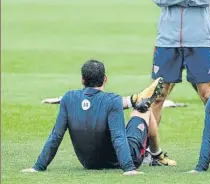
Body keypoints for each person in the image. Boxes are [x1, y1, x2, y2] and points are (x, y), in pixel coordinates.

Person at [21, 59, 176, 175]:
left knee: (137, 106)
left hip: (88, 163)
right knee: (144, 111)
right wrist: (129, 169)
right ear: (105, 79)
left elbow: (55, 136)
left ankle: (135, 100)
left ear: (82, 80)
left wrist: (38, 167)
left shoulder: (68, 98)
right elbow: (118, 137)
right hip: (121, 161)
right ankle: (157, 156)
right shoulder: (113, 100)